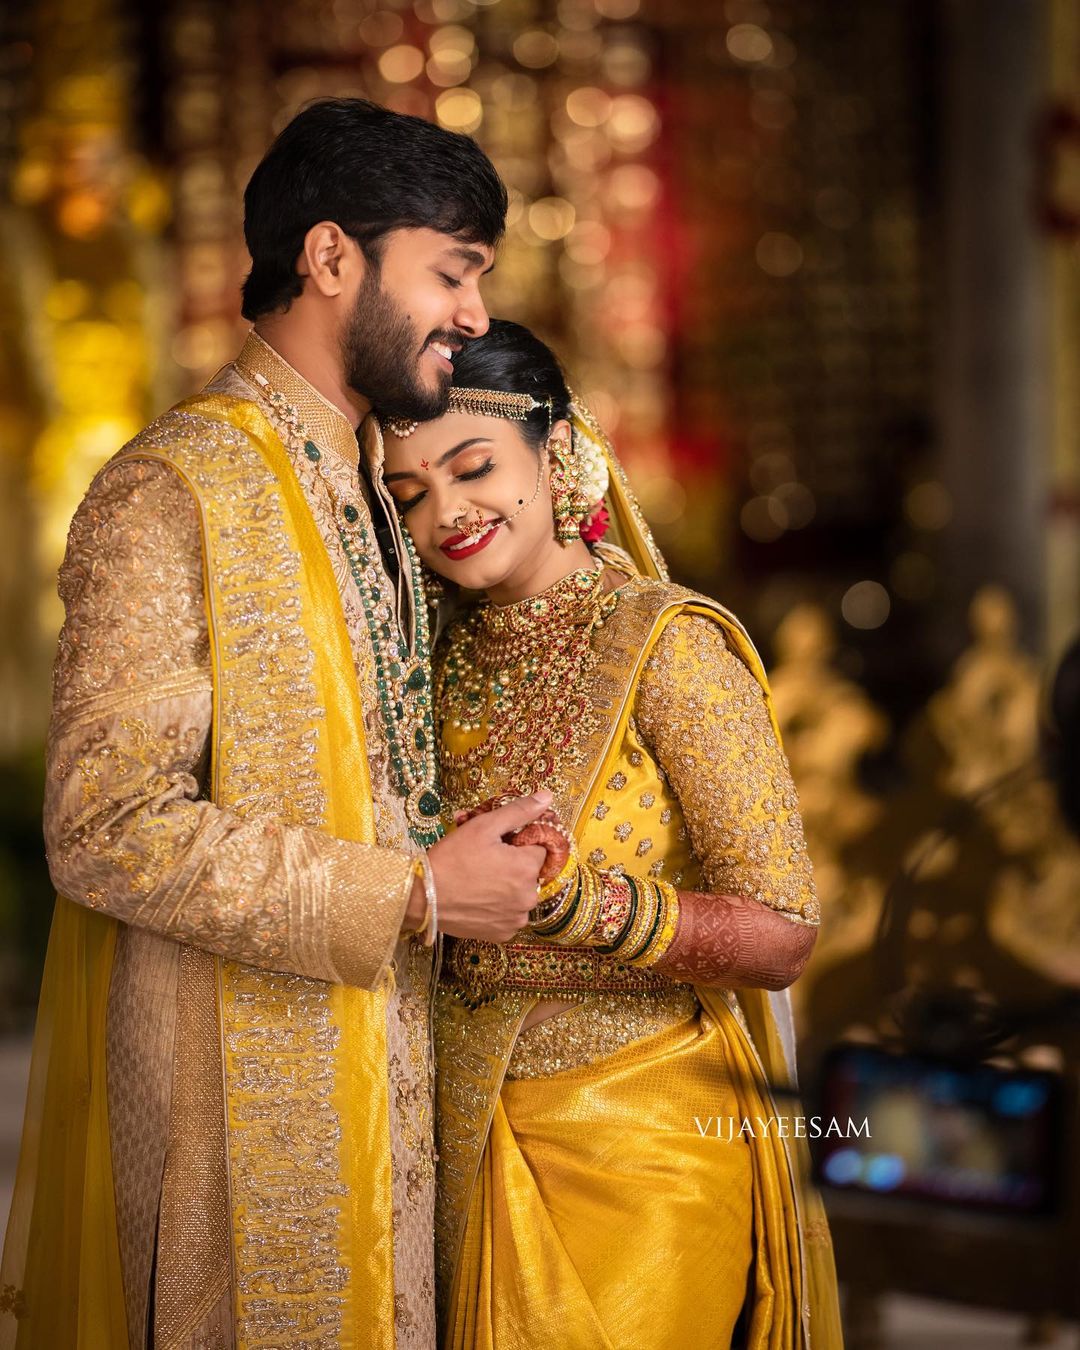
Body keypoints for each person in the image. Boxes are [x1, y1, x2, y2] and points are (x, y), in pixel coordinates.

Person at [0, 101, 558, 1350]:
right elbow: (105, 826)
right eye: (451, 270)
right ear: (330, 258)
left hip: (401, 1099)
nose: (473, 313)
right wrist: (413, 894)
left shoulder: (378, 482)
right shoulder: (170, 492)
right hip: (241, 1131)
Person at [372, 319, 844, 1348]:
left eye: (472, 466)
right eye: (408, 493)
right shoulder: (426, 661)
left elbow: (783, 934)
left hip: (647, 1148)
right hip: (457, 1134)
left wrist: (584, 904)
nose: (447, 511)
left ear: (559, 453)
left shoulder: (670, 646)